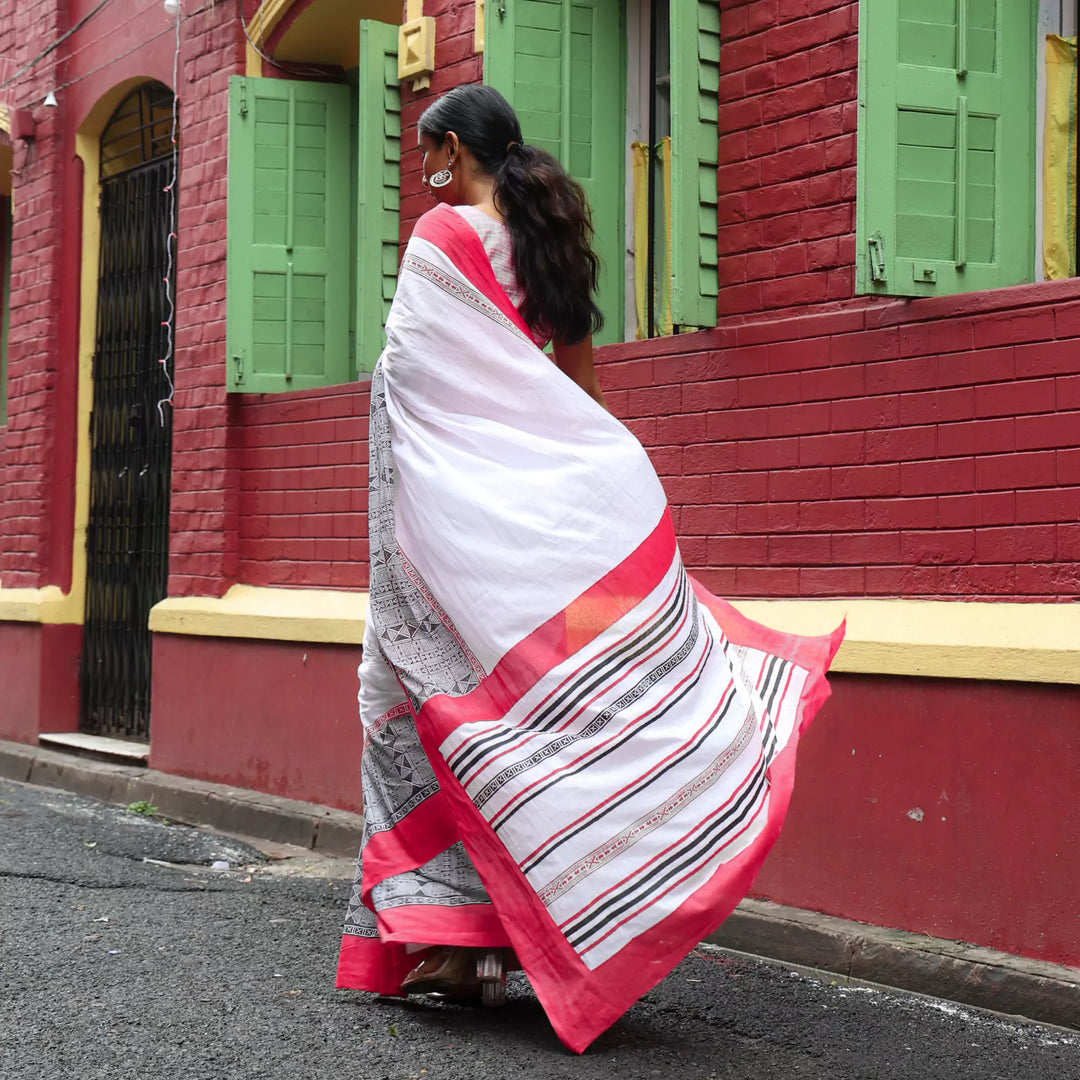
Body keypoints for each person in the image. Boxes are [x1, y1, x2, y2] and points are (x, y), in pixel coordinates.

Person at [335, 84, 843, 1054]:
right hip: (545, 523)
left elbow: (408, 390)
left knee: (412, 709)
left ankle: (455, 945)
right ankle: (499, 943)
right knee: (531, 720)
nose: (422, 170)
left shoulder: (441, 239)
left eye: (426, 151)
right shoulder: (544, 241)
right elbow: (579, 390)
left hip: (455, 538)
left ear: (449, 150)